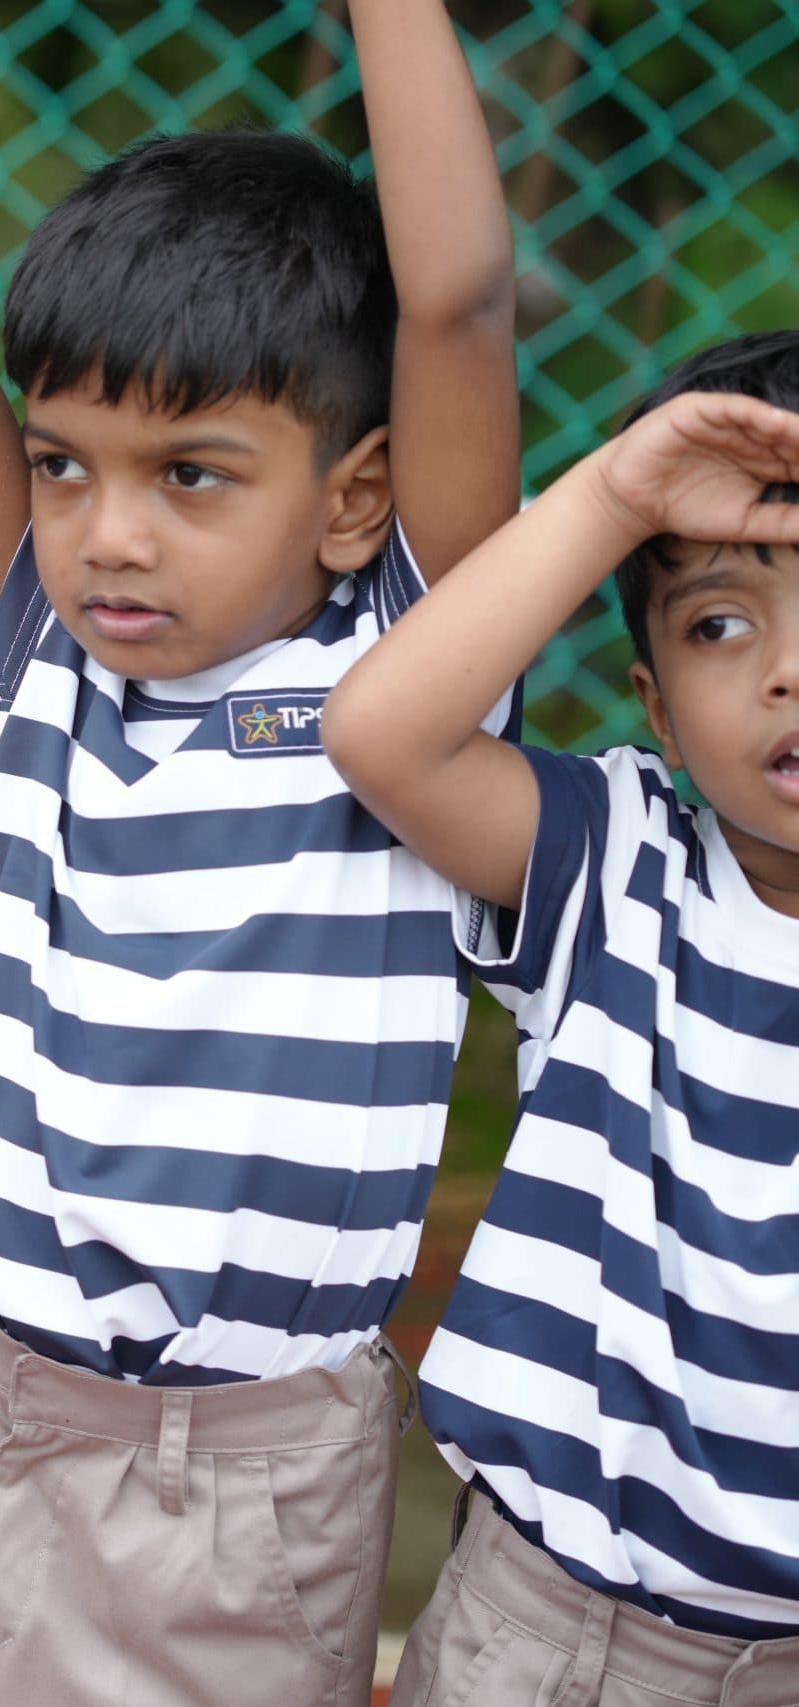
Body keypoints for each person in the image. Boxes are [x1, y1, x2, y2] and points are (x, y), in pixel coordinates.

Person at [0, 3, 521, 1701]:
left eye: (190, 473)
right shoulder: (45, 652)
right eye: (63, 467)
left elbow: (455, 302)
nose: (107, 532)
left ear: (355, 500)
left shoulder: (407, 678)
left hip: (216, 1466)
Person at [325, 334, 799, 1705]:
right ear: (652, 704)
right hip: (553, 1637)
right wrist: (620, 497)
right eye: (721, 621)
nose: (784, 671)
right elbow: (383, 733)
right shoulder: (621, 865)